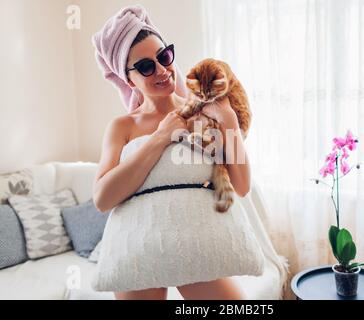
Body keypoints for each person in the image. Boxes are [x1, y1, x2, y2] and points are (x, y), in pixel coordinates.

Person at [91, 5, 262, 300]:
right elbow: (103, 198)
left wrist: (229, 120)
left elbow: (242, 186)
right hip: (136, 247)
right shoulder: (121, 127)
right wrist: (160, 137)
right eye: (145, 66)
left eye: (164, 56)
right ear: (129, 79)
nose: (161, 70)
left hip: (195, 242)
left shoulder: (204, 113)